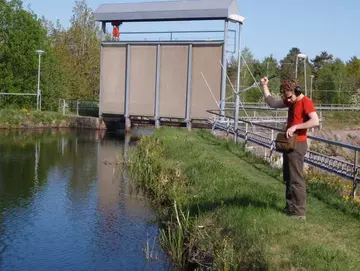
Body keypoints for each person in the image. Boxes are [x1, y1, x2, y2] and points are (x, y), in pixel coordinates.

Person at [260, 77, 319, 220]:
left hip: (298, 144)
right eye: (286, 97)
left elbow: (315, 121)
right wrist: (264, 86)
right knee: (288, 177)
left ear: (297, 91)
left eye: (290, 96)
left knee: (296, 179)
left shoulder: (306, 102)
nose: (289, 100)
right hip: (289, 144)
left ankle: (299, 213)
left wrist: (295, 126)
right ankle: (290, 207)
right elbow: (272, 103)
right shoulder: (290, 100)